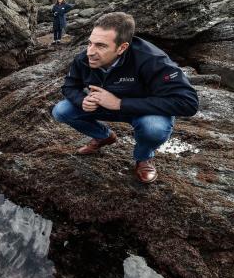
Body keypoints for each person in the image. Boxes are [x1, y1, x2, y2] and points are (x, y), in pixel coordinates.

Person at [52, 12, 198, 183]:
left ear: (122, 47)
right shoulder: (84, 58)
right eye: (90, 43)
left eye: (100, 45)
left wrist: (120, 103)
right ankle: (103, 136)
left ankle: (143, 158)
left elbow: (188, 103)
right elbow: (70, 85)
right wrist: (81, 100)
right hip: (104, 106)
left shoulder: (153, 60)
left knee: (154, 128)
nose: (90, 52)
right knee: (61, 111)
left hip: (144, 111)